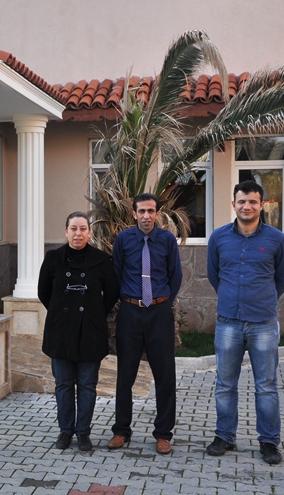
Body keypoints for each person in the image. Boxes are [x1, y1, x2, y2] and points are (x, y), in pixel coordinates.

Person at [205, 180, 284, 465]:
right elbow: (214, 275)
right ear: (233, 204)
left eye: (253, 201)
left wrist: (263, 299)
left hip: (264, 324)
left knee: (266, 385)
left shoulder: (276, 239)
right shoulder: (218, 238)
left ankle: (269, 441)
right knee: (225, 384)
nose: (247, 206)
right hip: (228, 322)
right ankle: (224, 436)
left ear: (262, 204)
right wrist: (233, 298)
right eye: (242, 201)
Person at [38, 211, 120, 451]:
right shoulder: (53, 258)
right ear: (66, 231)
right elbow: (44, 292)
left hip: (90, 333)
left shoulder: (102, 260)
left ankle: (83, 432)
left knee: (87, 385)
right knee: (63, 384)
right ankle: (65, 431)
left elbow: (112, 293)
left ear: (89, 233)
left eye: (83, 228)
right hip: (60, 332)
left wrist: (93, 314)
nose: (78, 233)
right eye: (73, 228)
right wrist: (60, 313)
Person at [108, 193, 182, 455]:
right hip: (130, 313)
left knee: (165, 376)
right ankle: (121, 431)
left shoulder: (167, 240)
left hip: (159, 314)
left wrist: (162, 302)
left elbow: (175, 276)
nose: (146, 216)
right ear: (134, 214)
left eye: (151, 211)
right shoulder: (124, 239)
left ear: (157, 214)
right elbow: (116, 273)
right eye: (142, 211)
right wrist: (130, 302)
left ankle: (163, 434)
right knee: (125, 376)